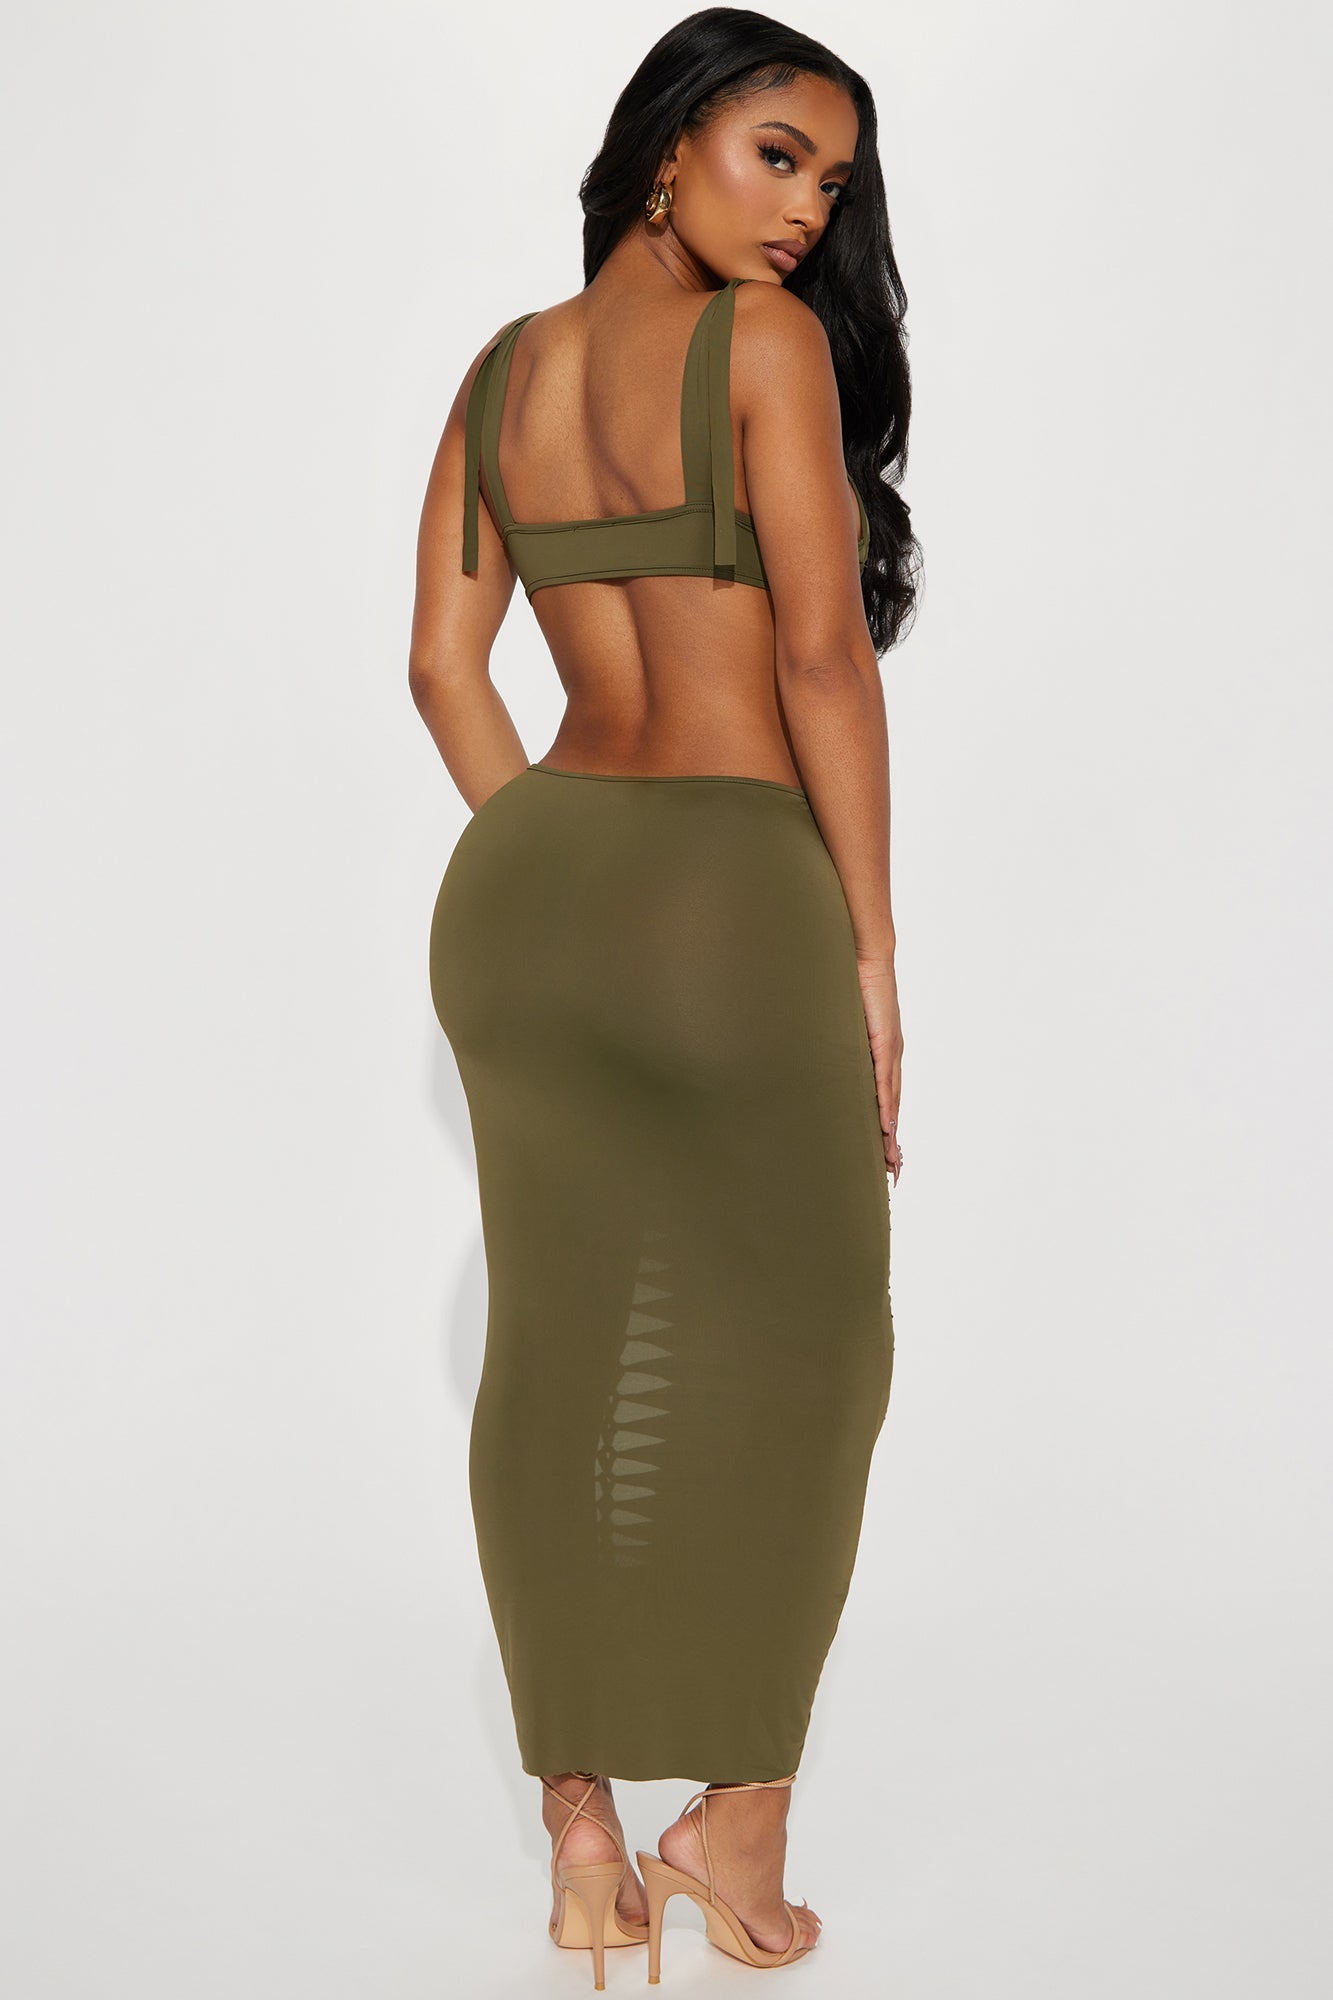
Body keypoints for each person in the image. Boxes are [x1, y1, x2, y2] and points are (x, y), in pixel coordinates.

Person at [409, 8, 918, 1983]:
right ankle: (736, 1824)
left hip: (525, 889)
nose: (804, 215)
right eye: (778, 156)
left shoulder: (502, 374)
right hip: (725, 881)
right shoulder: (761, 348)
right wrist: (868, 944)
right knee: (815, 1333)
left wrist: (556, 857)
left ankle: (576, 1837)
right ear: (667, 146)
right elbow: (820, 661)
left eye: (832, 186)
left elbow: (443, 667)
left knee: (553, 1346)